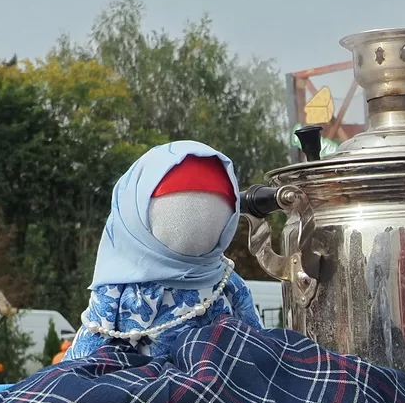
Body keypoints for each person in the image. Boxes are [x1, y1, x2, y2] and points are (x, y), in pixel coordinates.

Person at [65, 141, 261, 360]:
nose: (195, 219)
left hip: (171, 377)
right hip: (195, 375)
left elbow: (86, 351)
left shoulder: (225, 279)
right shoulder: (226, 280)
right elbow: (255, 336)